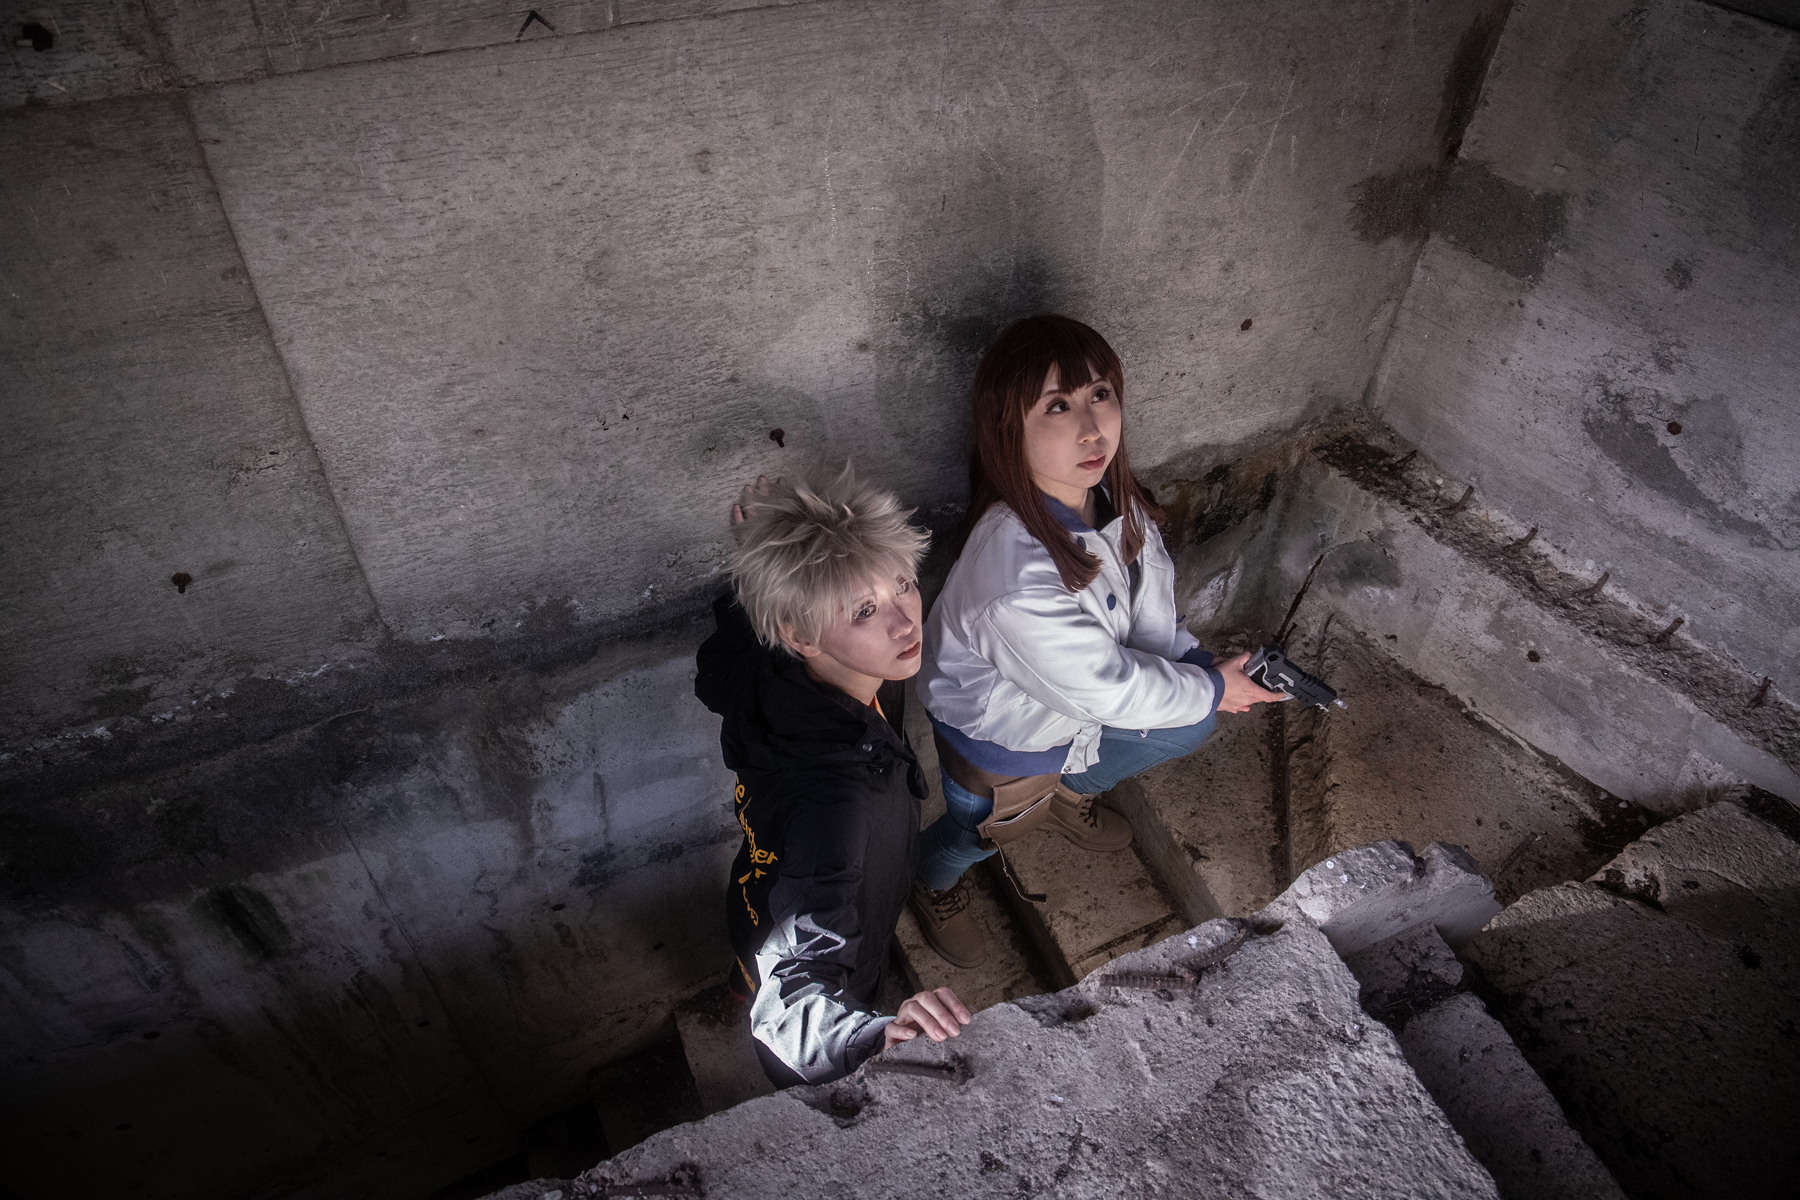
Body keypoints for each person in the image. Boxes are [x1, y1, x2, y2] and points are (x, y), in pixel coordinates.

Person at [910, 314, 1288, 967]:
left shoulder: (1109, 497)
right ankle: (930, 883)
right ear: (1008, 427)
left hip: (1074, 713)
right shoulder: (1014, 576)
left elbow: (1148, 609)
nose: (1092, 428)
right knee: (978, 834)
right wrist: (1209, 686)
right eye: (1058, 406)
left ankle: (1069, 796)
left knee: (1192, 720)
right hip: (1005, 742)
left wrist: (1198, 666)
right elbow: (1105, 688)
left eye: (1100, 394)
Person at [694, 466, 972, 1087]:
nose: (905, 623)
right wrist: (871, 1035)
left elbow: (727, 654)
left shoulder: (784, 668)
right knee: (788, 980)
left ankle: (742, 980)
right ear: (799, 635)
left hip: (757, 890)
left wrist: (759, 565)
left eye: (903, 585)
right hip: (818, 927)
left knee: (752, 954)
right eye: (864, 611)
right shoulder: (838, 805)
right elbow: (792, 1005)